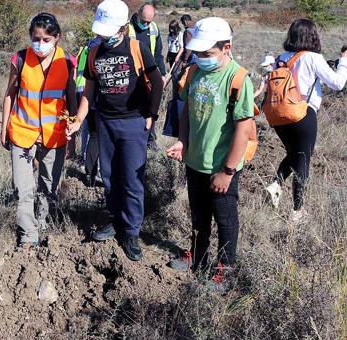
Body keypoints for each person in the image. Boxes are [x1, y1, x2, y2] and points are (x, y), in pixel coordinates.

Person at [66, 0, 164, 261]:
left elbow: (157, 81)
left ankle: (131, 231)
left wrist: (151, 116)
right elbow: (89, 91)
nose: (102, 36)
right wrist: (78, 120)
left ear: (122, 27)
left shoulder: (137, 48)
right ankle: (114, 220)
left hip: (133, 122)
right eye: (100, 31)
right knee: (109, 177)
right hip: (105, 121)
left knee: (132, 180)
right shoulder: (95, 50)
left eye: (107, 31)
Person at [165, 17, 256, 293]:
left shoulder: (238, 79)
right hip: (195, 160)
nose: (201, 58)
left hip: (222, 167)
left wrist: (227, 171)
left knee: (225, 218)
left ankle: (225, 268)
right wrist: (183, 142)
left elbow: (243, 130)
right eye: (198, 53)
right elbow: (186, 112)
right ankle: (197, 254)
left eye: (208, 53)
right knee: (198, 213)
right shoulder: (193, 72)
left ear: (226, 47)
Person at [0, 13, 77, 247]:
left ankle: (42, 222)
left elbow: (72, 102)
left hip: (55, 134)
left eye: (46, 39)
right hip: (22, 133)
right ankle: (28, 236)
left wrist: (72, 137)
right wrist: (4, 128)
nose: (40, 44)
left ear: (57, 38)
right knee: (23, 189)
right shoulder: (20, 59)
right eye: (36, 38)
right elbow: (9, 94)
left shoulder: (67, 62)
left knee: (48, 186)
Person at [264, 18, 347, 222]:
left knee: (294, 153)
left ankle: (276, 185)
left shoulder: (282, 57)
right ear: (312, 35)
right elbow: (337, 84)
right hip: (303, 113)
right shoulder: (313, 57)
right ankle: (297, 211)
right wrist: (344, 60)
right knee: (303, 159)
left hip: (279, 116)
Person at [128, 3, 166, 149]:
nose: (145, 24)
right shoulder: (127, 28)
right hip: (132, 75)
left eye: (148, 22)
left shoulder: (154, 28)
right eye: (143, 21)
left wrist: (161, 74)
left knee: (151, 106)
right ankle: (135, 138)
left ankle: (150, 138)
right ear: (137, 14)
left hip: (149, 75)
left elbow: (158, 53)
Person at [75, 36, 102, 186]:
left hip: (82, 92)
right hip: (95, 94)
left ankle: (89, 174)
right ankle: (99, 174)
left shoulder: (87, 46)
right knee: (99, 136)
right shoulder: (101, 47)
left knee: (92, 134)